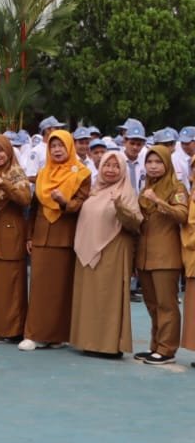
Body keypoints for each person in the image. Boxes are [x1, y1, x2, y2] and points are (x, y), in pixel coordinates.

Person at [21, 129, 91, 351]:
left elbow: (80, 204)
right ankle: (35, 333)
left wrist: (63, 202)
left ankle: (58, 335)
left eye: (61, 145)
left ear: (70, 147)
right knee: (40, 286)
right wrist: (30, 235)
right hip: (42, 235)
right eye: (53, 146)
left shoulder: (81, 174)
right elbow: (33, 207)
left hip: (65, 236)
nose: (57, 150)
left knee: (61, 288)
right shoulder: (43, 173)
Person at [70, 150, 141, 358]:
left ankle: (109, 346)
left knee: (108, 298)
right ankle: (88, 341)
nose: (111, 170)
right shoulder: (95, 190)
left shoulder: (126, 192)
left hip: (113, 250)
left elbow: (136, 223)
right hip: (87, 252)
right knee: (90, 297)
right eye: (107, 165)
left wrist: (120, 206)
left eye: (116, 166)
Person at [134, 145, 188, 366]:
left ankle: (167, 349)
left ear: (167, 164)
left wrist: (158, 201)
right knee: (152, 303)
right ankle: (156, 345)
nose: (153, 166)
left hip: (166, 255)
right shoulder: (146, 188)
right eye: (149, 162)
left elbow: (182, 214)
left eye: (158, 162)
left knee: (167, 304)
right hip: (145, 256)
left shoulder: (177, 187)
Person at [0, 134, 31, 343]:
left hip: (11, 234)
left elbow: (25, 198)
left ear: (9, 151)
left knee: (11, 286)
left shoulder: (16, 173)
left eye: (0, 150)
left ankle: (13, 331)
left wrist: (4, 185)